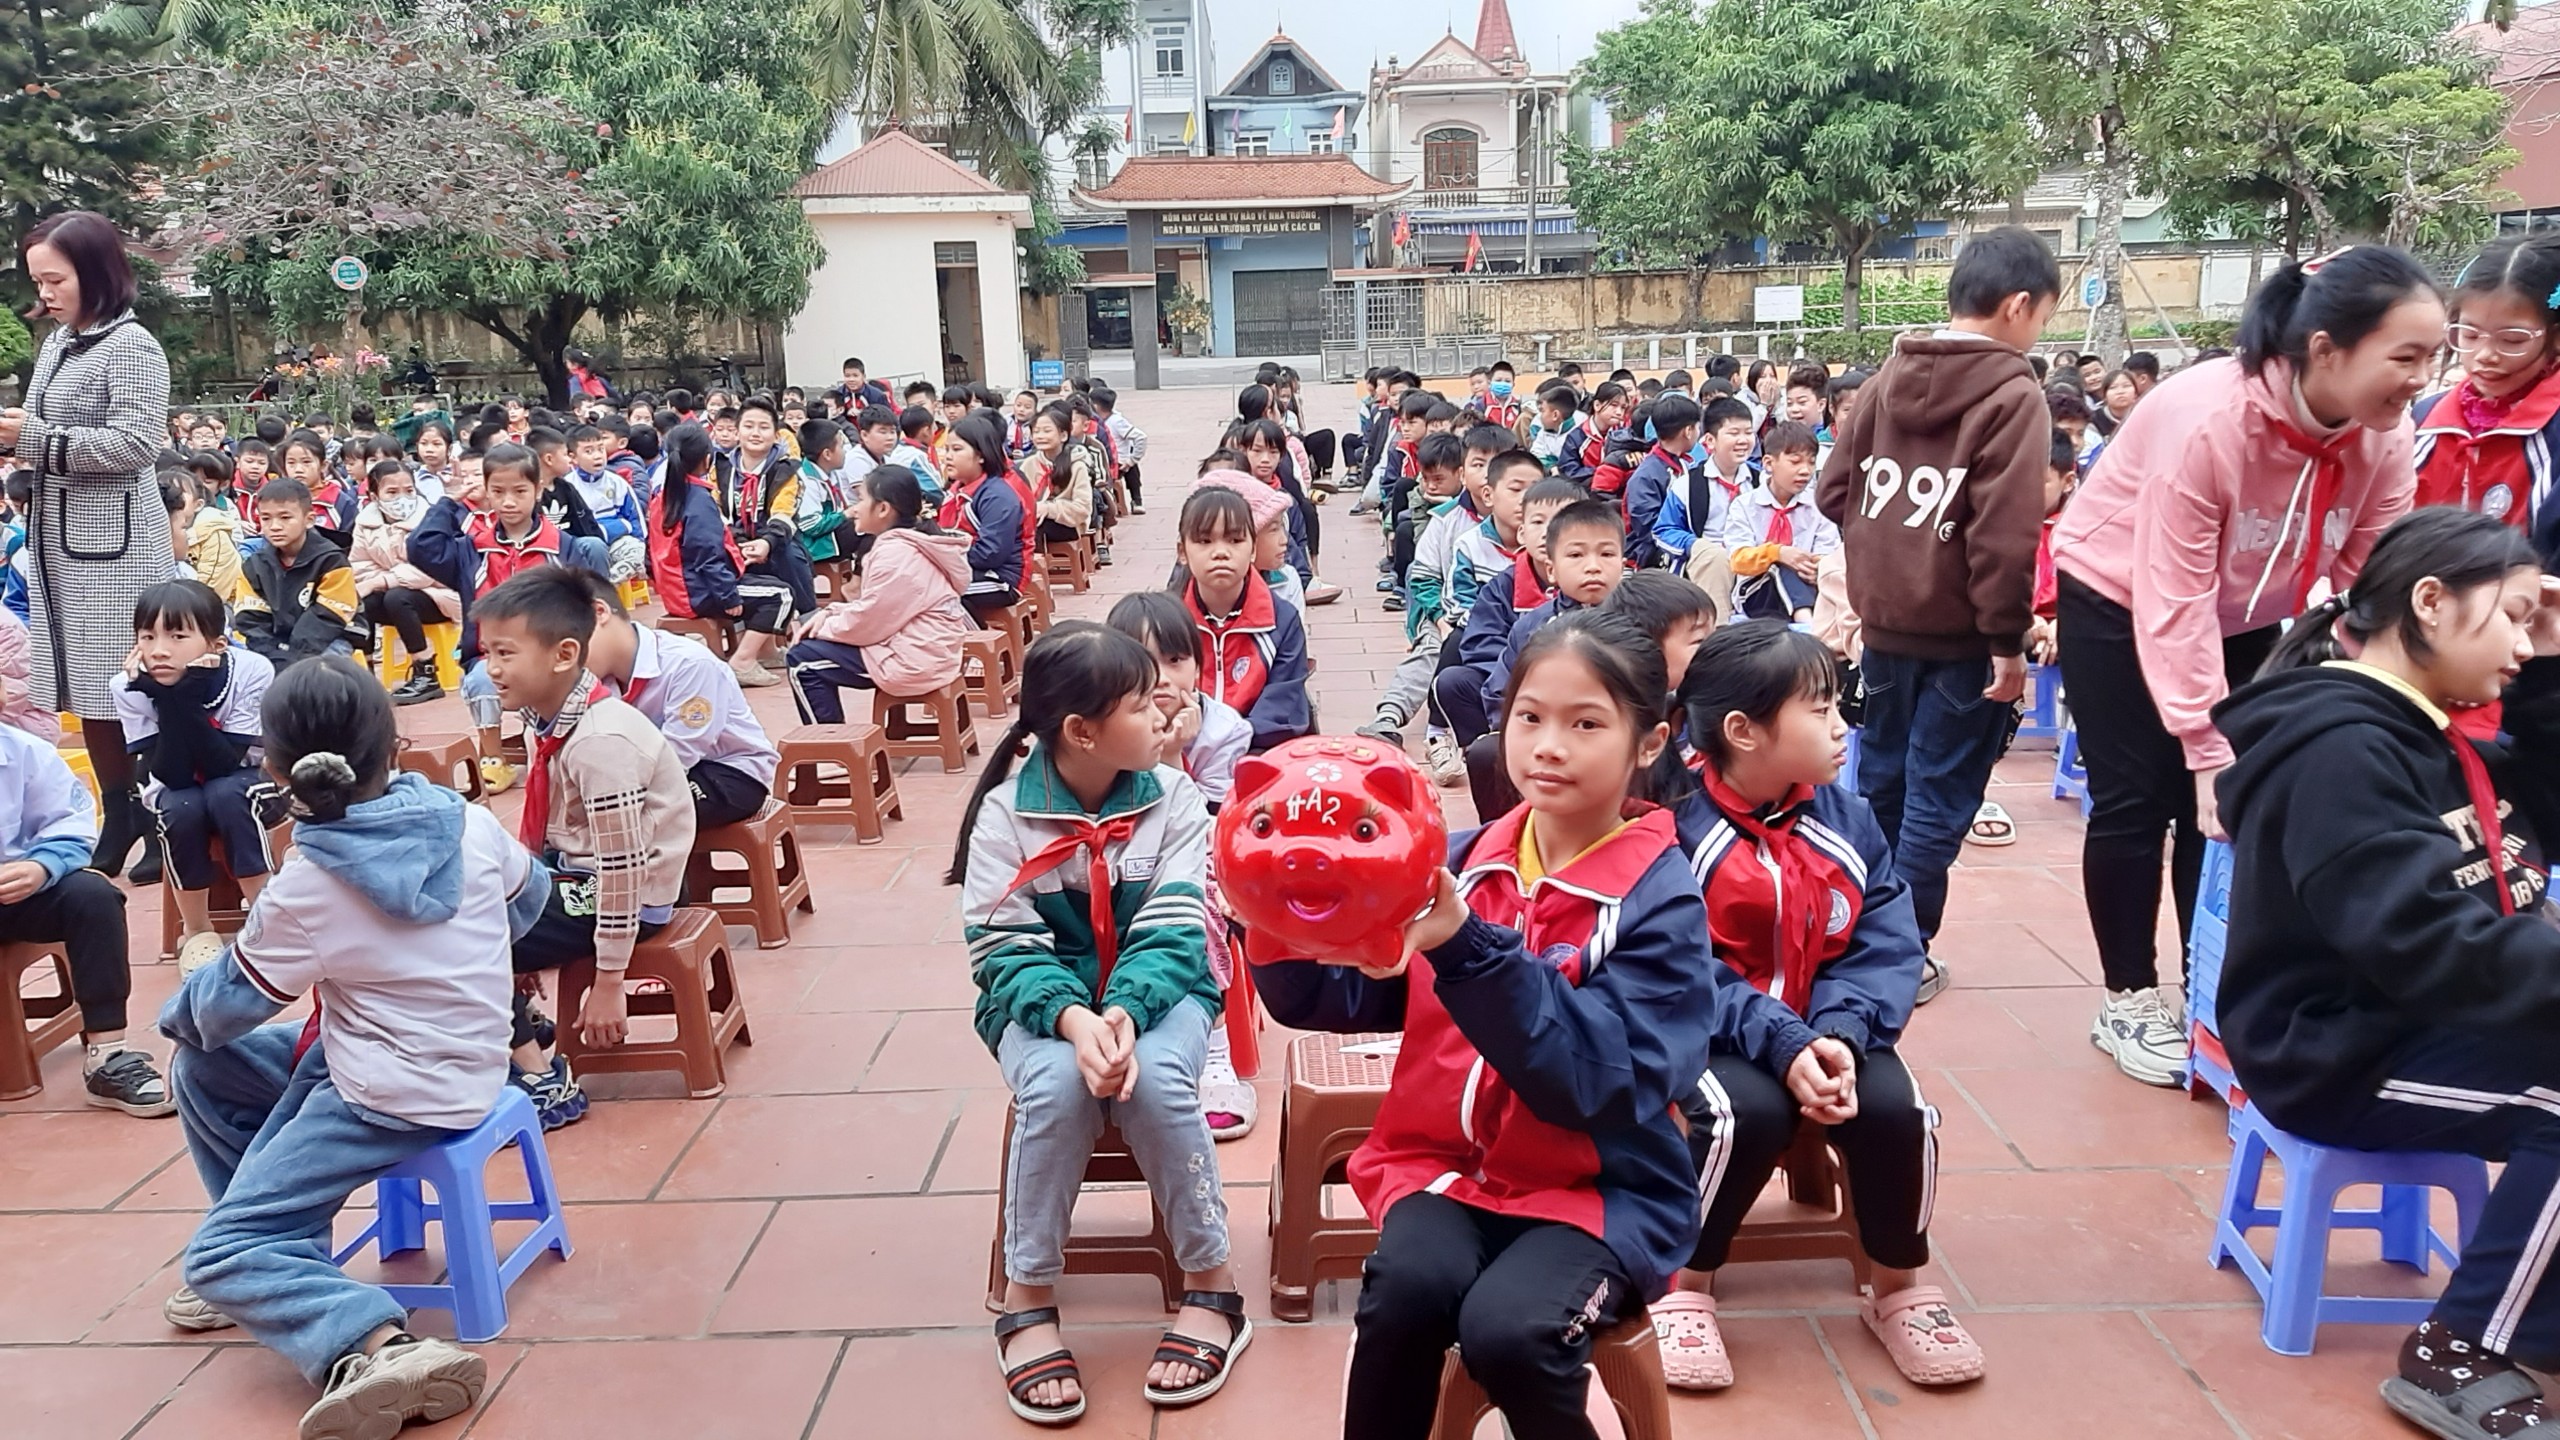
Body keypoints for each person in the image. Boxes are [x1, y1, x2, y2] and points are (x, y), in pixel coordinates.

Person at [1253, 611, 1737, 1440]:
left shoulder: (1661, 902)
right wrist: (1276, 919)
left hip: (1600, 1192)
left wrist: (1465, 946)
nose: (1549, 746)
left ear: (1650, 742)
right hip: (1448, 1167)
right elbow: (1346, 995)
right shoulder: (1466, 860)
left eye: (1585, 724)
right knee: (1404, 1292)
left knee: (1510, 1331)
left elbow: (1593, 1083)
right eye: (1530, 717)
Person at [2049, 246, 2440, 1085]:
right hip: (2117, 591)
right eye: (2405, 357)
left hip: (2248, 609)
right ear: (2327, 348)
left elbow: (2375, 580)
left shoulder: (2385, 436)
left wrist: (2384, 699)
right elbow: (2174, 596)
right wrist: (2202, 742)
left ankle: (2210, 991)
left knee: (2228, 808)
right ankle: (2128, 997)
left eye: (2431, 357)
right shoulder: (2208, 421)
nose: (2422, 379)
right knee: (2139, 796)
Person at [2215, 508, 2560, 1439]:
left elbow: (2547, 806)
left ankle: (2532, 1297)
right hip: (2337, 1051)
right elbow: (2421, 939)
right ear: (2431, 603)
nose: (2522, 644)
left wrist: (2551, 664)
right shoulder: (2342, 751)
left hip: (2418, 1016)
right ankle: (2459, 1349)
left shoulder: (2430, 733)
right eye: (2514, 618)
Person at [156, 656, 535, 1435]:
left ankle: (377, 1344)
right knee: (207, 1071)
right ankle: (282, 1243)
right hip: (470, 1059)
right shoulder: (468, 821)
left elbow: (220, 1012)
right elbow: (528, 906)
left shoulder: (308, 884)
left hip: (381, 1093)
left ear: (275, 769)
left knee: (216, 1254)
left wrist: (184, 997)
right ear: (394, 746)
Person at [1646, 621, 1981, 1393]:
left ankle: (1897, 1286)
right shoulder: (1671, 830)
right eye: (1821, 710)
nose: (1841, 727)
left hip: (1827, 1025)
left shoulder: (1846, 820)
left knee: (1898, 1111)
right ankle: (1684, 1283)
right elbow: (1680, 970)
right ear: (1744, 731)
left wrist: (1837, 1035)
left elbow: (1885, 937)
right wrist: (1783, 1041)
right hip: (1710, 1033)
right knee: (1742, 1115)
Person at [954, 623, 1245, 1423]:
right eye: (1144, 704)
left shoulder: (1176, 799)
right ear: (1082, 732)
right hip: (1039, 1006)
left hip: (1163, 994)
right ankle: (1028, 1293)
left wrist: (1122, 1012)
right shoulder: (1004, 817)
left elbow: (1179, 930)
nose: (1166, 713)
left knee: (1156, 1082)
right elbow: (1003, 950)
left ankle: (1213, 1285)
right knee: (1055, 1086)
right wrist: (1076, 1022)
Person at [1814, 225, 2060, 1004]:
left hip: (1884, 631)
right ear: (2018, 305)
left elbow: (1832, 490)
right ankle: (1902, 954)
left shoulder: (1890, 375)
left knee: (1880, 785)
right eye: (2044, 315)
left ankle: (1855, 937)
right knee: (1938, 799)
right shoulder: (2013, 394)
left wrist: (1887, 552)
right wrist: (2007, 642)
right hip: (1963, 642)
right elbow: (2004, 538)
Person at [478, 566, 696, 1129]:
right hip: (578, 874)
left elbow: (623, 869)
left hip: (628, 895)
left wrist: (609, 981)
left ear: (564, 654)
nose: (491, 669)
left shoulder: (600, 741)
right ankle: (519, 1020)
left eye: (505, 653)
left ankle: (539, 1076)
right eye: (487, 653)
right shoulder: (554, 720)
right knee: (473, 898)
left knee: (462, 932)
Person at [0, 211, 180, 881]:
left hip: (118, 548)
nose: (45, 294)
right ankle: (120, 813)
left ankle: (163, 816)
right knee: (88, 692)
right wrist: (20, 435)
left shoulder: (133, 347)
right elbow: (47, 430)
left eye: (56, 280)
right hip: (60, 543)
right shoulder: (58, 344)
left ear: (96, 273)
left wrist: (33, 437)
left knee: (135, 687)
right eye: (38, 282)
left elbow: (136, 443)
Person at [118, 578, 281, 965]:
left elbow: (225, 764)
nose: (159, 650)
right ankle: (197, 933)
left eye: (177, 636)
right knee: (181, 807)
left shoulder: (251, 670)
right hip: (178, 784)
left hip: (251, 776)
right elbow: (171, 775)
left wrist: (183, 697)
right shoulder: (128, 687)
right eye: (147, 637)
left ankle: (268, 922)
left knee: (226, 795)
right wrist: (166, 697)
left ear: (216, 645)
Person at [577, 572, 777, 832]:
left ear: (599, 612)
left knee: (627, 816)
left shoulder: (688, 664)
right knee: (591, 810)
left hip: (729, 772)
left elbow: (680, 753)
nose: (566, 660)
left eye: (567, 644)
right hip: (653, 770)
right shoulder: (594, 678)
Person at [784, 464, 973, 726]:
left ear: (883, 509)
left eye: (861, 499)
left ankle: (829, 743)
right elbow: (877, 609)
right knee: (815, 644)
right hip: (929, 649)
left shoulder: (896, 555)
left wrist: (822, 628)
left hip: (915, 660)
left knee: (801, 658)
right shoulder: (912, 542)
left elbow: (869, 623)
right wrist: (831, 612)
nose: (855, 508)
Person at [2413, 234, 2560, 559]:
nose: (2485, 355)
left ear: (2556, 335)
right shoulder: (2423, 420)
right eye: (2469, 334)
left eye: (2511, 340)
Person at [646, 423, 799, 689]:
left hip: (679, 588)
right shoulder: (698, 499)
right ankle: (742, 660)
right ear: (707, 460)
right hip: (697, 592)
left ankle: (766, 652)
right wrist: (727, 595)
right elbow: (707, 556)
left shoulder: (665, 494)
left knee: (769, 582)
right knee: (782, 595)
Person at [1171, 486, 1310, 752]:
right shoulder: (1163, 623)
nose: (1220, 552)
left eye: (1235, 540)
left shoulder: (1281, 621)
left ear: (1253, 549)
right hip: (1181, 750)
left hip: (1256, 752)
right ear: (1182, 551)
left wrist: (1230, 744)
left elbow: (1281, 708)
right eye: (1204, 541)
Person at [350, 461, 458, 706]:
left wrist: (382, 580)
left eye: (409, 491)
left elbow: (429, 570)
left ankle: (426, 672)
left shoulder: (431, 519)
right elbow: (359, 566)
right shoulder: (365, 523)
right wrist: (385, 581)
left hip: (440, 596)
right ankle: (366, 675)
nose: (402, 498)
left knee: (397, 597)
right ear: (374, 496)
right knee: (364, 601)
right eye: (392, 492)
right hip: (397, 596)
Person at [236, 479, 366, 666]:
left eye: (285, 518)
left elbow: (330, 615)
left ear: (309, 520)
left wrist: (293, 658)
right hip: (277, 641)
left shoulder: (332, 560)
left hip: (330, 637)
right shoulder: (254, 566)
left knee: (316, 672)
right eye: (266, 518)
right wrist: (274, 655)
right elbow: (251, 618)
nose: (274, 526)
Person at [1720, 420, 1839, 623]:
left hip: (1809, 587)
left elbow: (1828, 554)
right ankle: (1806, 621)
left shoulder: (1817, 506)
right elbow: (1738, 560)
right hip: (1758, 592)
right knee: (1779, 565)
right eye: (1795, 462)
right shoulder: (1745, 505)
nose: (1805, 470)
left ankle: (1805, 615)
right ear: (1768, 463)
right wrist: (1778, 553)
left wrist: (1817, 569)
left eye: (1811, 462)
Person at [938, 412, 1033, 627]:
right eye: (947, 449)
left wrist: (943, 557)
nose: (948, 457)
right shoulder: (957, 489)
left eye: (957, 449)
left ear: (981, 456)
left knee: (934, 591)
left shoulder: (997, 496)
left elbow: (989, 554)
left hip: (1001, 577)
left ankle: (976, 638)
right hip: (967, 568)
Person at [1657, 396, 1760, 587]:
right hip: (1708, 566)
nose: (1743, 440)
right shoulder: (1687, 484)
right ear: (1710, 441)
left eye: (1748, 432)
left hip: (1752, 563)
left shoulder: (1761, 481)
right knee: (1715, 562)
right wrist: (1695, 545)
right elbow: (1664, 530)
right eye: (1734, 433)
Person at [1624, 394, 1705, 570]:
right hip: (1651, 559)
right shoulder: (1646, 476)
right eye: (1698, 427)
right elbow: (1649, 529)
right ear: (1688, 431)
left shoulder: (1685, 464)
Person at [564, 424, 649, 582]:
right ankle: (596, 586)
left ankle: (607, 584)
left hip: (617, 541)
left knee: (636, 550)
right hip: (587, 546)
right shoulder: (567, 486)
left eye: (600, 449)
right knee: (593, 548)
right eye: (589, 451)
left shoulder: (617, 482)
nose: (597, 456)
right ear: (573, 457)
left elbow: (635, 518)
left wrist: (639, 547)